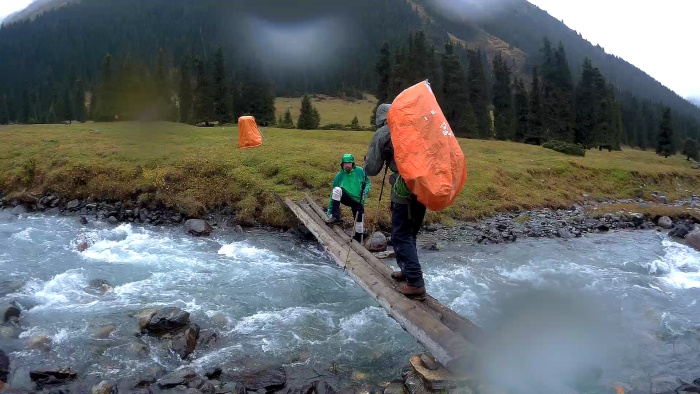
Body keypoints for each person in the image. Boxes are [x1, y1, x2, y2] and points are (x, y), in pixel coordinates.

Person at [364, 104, 427, 297]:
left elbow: (372, 168)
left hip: (404, 188)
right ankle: (408, 272)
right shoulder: (413, 128)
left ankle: (416, 283)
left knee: (401, 235)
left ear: (380, 118)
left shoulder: (384, 132)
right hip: (424, 186)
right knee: (411, 232)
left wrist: (367, 160)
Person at [325, 154, 371, 242]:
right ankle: (335, 216)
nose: (347, 165)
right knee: (337, 190)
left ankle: (358, 239)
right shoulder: (339, 175)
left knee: (359, 221)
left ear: (352, 163)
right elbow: (333, 193)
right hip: (346, 197)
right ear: (342, 164)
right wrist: (329, 210)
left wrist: (366, 190)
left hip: (358, 199)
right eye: (345, 163)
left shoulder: (360, 171)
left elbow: (368, 182)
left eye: (349, 163)